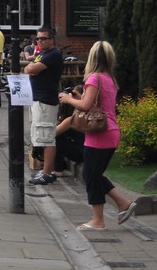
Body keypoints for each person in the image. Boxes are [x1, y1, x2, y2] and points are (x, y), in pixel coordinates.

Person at [58, 41, 135, 230]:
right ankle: (123, 203)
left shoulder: (94, 78)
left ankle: (98, 219)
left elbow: (85, 106)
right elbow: (95, 104)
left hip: (100, 134)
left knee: (90, 175)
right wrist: (79, 99)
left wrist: (68, 99)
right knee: (93, 173)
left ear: (92, 57)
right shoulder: (109, 78)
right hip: (110, 132)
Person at [25, 26, 65, 185]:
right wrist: (30, 68)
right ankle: (46, 170)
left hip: (45, 101)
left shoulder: (53, 55)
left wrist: (30, 68)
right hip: (38, 100)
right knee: (40, 135)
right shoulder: (42, 54)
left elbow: (32, 69)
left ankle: (47, 172)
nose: (39, 41)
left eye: (43, 38)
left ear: (51, 40)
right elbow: (29, 68)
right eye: (38, 39)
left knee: (47, 137)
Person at [32, 84, 85, 177]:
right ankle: (54, 167)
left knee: (52, 139)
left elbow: (52, 133)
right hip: (83, 149)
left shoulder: (75, 116)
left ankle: (57, 169)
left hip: (82, 152)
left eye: (74, 94)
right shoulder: (76, 111)